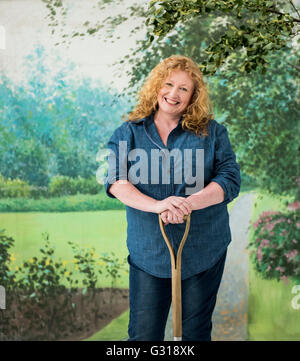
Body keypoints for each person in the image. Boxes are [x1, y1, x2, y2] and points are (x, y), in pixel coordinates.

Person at [103, 55, 241, 341]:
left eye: (183, 88)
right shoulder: (129, 133)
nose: (173, 94)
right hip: (149, 251)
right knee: (143, 336)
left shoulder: (213, 133)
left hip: (203, 247)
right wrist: (159, 206)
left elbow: (229, 180)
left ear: (193, 96)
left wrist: (187, 204)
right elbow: (117, 181)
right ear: (156, 86)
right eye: (168, 84)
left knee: (195, 334)